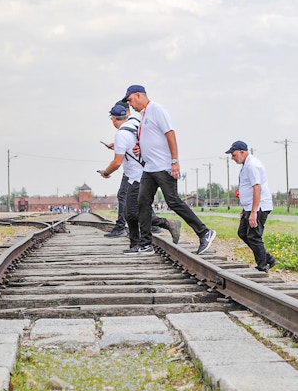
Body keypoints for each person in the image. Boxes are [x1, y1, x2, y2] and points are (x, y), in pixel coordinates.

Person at [122, 85, 216, 255]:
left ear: (138, 95)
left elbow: (170, 134)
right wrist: (140, 148)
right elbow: (152, 139)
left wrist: (174, 161)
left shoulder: (157, 110)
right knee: (142, 203)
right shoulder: (143, 115)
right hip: (149, 168)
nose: (130, 105)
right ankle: (146, 244)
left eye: (130, 100)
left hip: (163, 166)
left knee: (173, 201)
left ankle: (204, 232)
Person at [99, 104, 181, 251]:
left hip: (137, 176)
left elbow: (117, 162)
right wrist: (118, 146)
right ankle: (136, 243)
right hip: (142, 173)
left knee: (133, 212)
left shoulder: (121, 134)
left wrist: (106, 172)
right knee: (130, 213)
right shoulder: (136, 123)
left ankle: (164, 226)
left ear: (113, 119)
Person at [226, 140, 277, 272]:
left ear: (242, 152)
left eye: (233, 155)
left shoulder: (252, 165)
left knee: (254, 236)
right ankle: (268, 259)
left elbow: (257, 188)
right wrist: (245, 209)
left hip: (259, 207)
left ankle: (262, 266)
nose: (232, 158)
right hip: (250, 207)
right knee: (242, 232)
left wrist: (254, 212)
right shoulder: (246, 164)